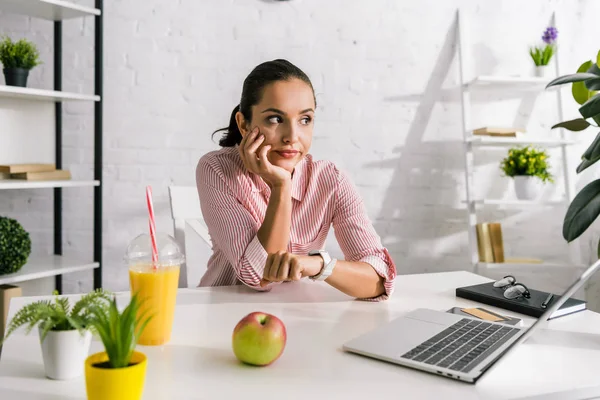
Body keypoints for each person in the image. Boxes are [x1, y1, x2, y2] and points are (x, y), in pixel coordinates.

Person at [196, 59, 396, 301]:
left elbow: (379, 281)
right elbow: (258, 275)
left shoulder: (330, 180)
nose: (292, 137)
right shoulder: (217, 169)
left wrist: (320, 265)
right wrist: (281, 186)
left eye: (305, 120)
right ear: (244, 124)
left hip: (297, 314)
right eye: (275, 119)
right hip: (224, 313)